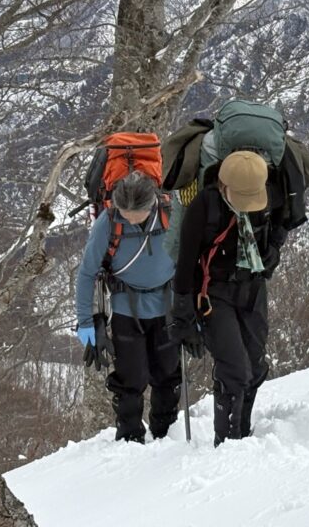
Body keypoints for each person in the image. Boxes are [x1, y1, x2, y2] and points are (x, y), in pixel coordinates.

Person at [170, 150, 286, 446]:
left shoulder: (268, 193)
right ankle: (227, 443)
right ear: (224, 187)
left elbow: (279, 227)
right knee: (235, 368)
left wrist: (272, 250)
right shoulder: (204, 207)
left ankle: (242, 432)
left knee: (256, 365)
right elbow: (185, 264)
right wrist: (182, 316)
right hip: (215, 293)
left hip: (253, 287)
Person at [75, 171, 181, 443]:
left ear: (153, 203)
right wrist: (86, 321)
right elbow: (87, 273)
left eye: (136, 214)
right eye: (125, 212)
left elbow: (191, 256)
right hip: (126, 307)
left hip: (167, 307)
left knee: (168, 373)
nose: (130, 218)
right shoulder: (108, 222)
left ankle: (166, 433)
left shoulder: (172, 212)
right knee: (130, 377)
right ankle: (130, 437)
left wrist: (194, 309)